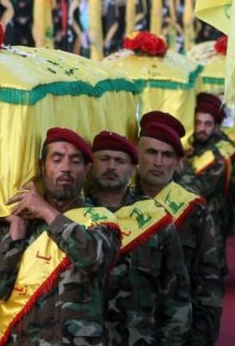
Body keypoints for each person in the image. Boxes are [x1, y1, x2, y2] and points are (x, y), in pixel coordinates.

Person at [0, 127, 121, 345]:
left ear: (87, 169)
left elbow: (94, 260)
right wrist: (16, 234)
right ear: (41, 167)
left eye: (75, 161)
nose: (66, 168)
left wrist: (46, 211)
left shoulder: (100, 220)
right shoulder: (17, 222)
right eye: (57, 159)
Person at [86, 131, 191, 345]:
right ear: (90, 165)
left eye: (120, 161)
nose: (112, 167)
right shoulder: (75, 216)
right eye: (104, 159)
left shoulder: (154, 218)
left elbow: (176, 295)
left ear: (133, 168)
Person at [128, 111, 223, 345]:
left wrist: (202, 337)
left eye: (167, 155)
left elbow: (208, 282)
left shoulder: (193, 211)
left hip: (177, 332)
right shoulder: (119, 203)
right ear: (137, 154)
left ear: (178, 161)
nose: (158, 162)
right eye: (151, 152)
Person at [180, 93, 235, 276]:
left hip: (211, 217)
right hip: (187, 220)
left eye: (208, 124)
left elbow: (194, 188)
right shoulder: (190, 144)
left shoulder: (221, 154)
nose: (201, 128)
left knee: (210, 272)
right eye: (198, 123)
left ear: (216, 126)